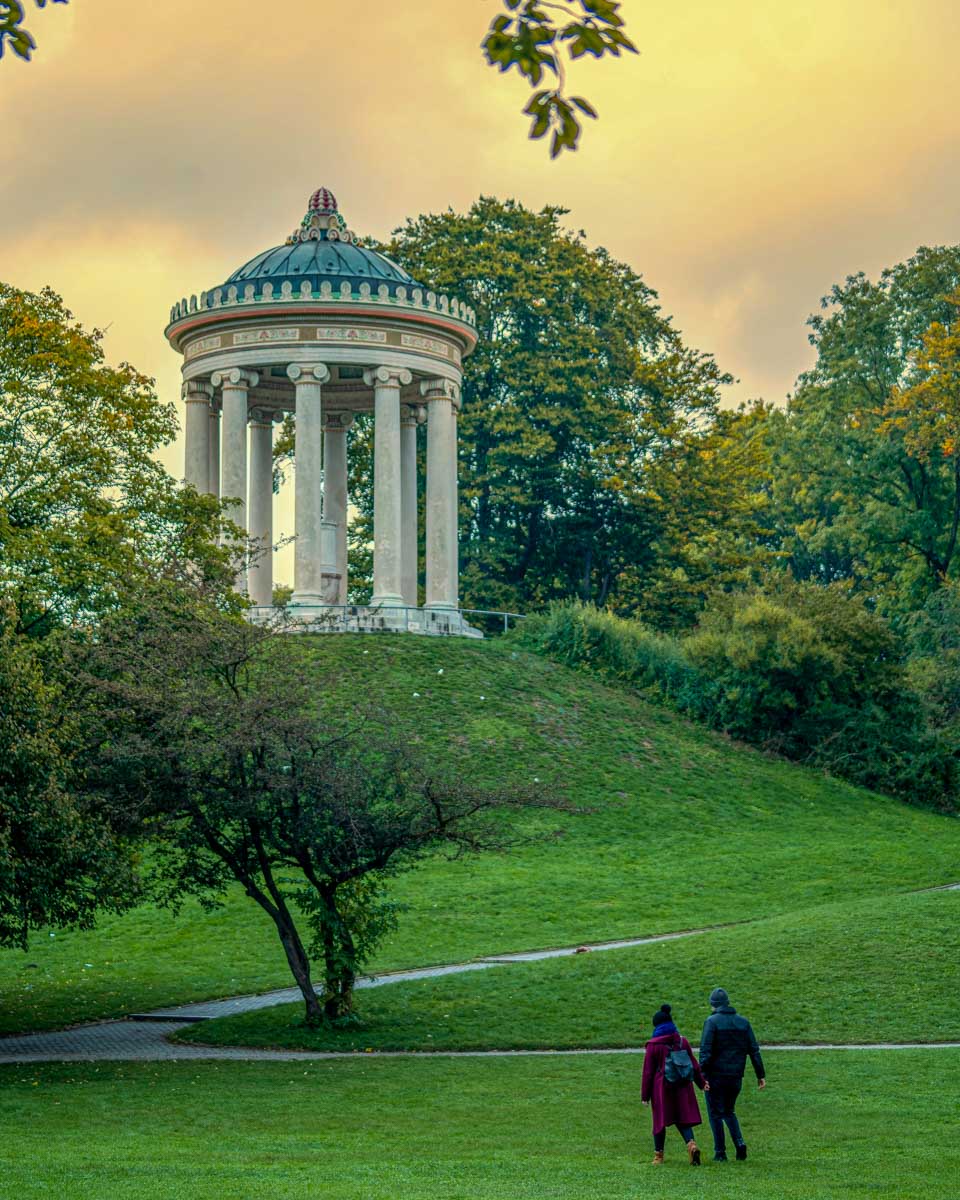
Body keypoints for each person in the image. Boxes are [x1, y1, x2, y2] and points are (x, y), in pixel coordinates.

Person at [699, 987, 766, 1162]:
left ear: (713, 1005)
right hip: (735, 1076)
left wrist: (702, 1076)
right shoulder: (743, 1022)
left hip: (715, 1076)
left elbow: (705, 1051)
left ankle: (720, 1152)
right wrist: (760, 1074)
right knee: (729, 1111)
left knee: (715, 1113)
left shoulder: (711, 1022)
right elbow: (754, 1050)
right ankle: (739, 1142)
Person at [641, 1004, 708, 1166]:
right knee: (682, 1119)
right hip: (682, 1085)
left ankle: (659, 1156)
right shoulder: (681, 1041)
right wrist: (702, 1083)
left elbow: (648, 1072)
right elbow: (693, 1064)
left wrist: (645, 1095)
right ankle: (691, 1144)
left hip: (661, 1088)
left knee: (659, 1121)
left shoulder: (653, 1045)